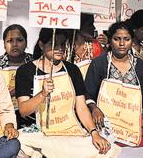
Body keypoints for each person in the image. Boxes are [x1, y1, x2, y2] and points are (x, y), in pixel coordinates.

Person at [15, 28, 118, 158]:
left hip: (69, 131)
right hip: (41, 134)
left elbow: (81, 107)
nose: (60, 48)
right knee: (21, 144)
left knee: (107, 150)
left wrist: (94, 133)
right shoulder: (25, 71)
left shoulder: (72, 70)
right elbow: (23, 110)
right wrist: (42, 94)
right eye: (54, 44)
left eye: (63, 44)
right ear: (41, 45)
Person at [84, 21, 143, 147]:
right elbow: (87, 93)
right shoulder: (99, 63)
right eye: (117, 39)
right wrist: (95, 109)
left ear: (132, 40)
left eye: (126, 39)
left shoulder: (140, 65)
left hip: (130, 123)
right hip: (105, 121)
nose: (122, 44)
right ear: (110, 40)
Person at [0, 24, 34, 128]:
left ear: (26, 43)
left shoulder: (34, 62)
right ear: (4, 44)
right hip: (1, 115)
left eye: (19, 40)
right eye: (9, 41)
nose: (14, 44)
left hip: (30, 116)